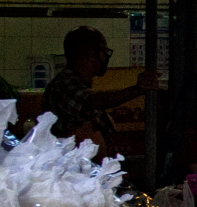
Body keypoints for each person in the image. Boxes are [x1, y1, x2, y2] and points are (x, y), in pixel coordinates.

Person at [43, 26, 159, 154]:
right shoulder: (63, 85)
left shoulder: (77, 83)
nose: (106, 57)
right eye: (104, 51)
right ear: (91, 53)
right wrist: (136, 90)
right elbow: (91, 100)